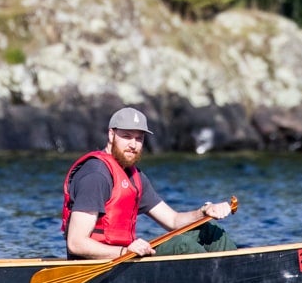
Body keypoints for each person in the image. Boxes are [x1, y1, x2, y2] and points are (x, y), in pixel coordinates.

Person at [61, 107, 235, 259]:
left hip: (127, 257)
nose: (133, 145)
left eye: (139, 139)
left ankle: (235, 274)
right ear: (111, 135)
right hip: (100, 264)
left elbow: (173, 221)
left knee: (209, 228)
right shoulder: (96, 175)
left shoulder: (135, 177)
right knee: (182, 245)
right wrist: (123, 252)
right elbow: (76, 243)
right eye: (127, 136)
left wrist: (204, 212)